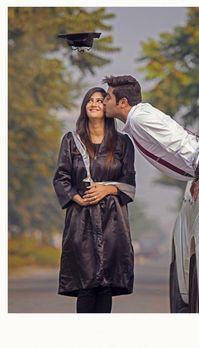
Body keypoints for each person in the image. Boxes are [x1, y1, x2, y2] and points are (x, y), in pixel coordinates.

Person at [53, 87, 136, 313]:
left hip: (113, 221)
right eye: (90, 100)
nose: (95, 103)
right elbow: (61, 178)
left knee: (106, 286)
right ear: (84, 107)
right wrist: (77, 198)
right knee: (86, 284)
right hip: (81, 220)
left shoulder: (122, 143)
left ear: (106, 107)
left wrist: (107, 190)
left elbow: (129, 182)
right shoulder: (71, 141)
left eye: (100, 100)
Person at [103, 75, 199, 181]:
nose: (104, 102)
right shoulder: (139, 116)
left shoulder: (139, 119)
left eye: (108, 98)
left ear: (123, 102)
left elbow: (178, 142)